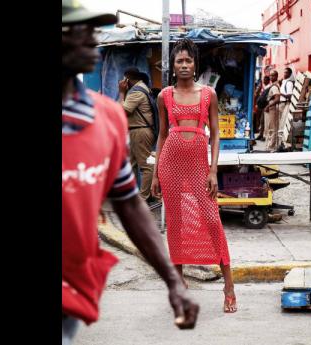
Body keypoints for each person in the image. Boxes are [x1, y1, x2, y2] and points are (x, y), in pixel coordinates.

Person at [62, 2, 199, 344]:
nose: (93, 39)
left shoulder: (105, 117)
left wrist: (172, 280)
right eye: (80, 31)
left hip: (72, 292)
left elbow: (127, 203)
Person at [150, 38, 237, 313]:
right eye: (180, 61)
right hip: (170, 164)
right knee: (175, 225)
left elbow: (215, 133)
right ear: (173, 66)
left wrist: (213, 170)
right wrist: (155, 175)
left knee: (212, 221)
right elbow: (162, 135)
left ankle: (229, 287)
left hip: (200, 166)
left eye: (189, 60)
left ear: (195, 64)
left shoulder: (208, 94)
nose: (184, 65)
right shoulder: (164, 95)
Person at [118, 67, 156, 204]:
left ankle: (143, 197)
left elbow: (123, 110)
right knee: (131, 164)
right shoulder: (141, 88)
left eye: (124, 79)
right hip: (137, 130)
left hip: (140, 131)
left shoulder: (136, 92)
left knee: (146, 166)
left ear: (127, 79)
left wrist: (121, 93)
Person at [277, 67, 294, 150]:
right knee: (280, 124)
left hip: (285, 104)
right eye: (284, 72)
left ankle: (282, 145)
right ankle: (280, 144)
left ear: (290, 74)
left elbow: (290, 95)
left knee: (283, 124)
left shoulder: (289, 83)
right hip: (281, 104)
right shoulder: (284, 82)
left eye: (286, 73)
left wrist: (280, 94)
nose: (284, 74)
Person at [264, 69, 281, 152]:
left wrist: (268, 106)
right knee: (270, 127)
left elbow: (277, 98)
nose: (271, 77)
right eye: (270, 75)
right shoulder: (273, 85)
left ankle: (272, 147)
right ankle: (270, 146)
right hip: (271, 108)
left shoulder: (274, 86)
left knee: (273, 128)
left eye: (273, 75)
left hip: (273, 109)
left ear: (276, 76)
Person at [255, 75, 271, 141]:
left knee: (264, 122)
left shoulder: (269, 88)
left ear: (268, 80)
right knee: (261, 121)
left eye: (265, 80)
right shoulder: (264, 87)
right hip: (261, 107)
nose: (263, 81)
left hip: (265, 107)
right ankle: (261, 134)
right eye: (263, 80)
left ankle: (263, 136)